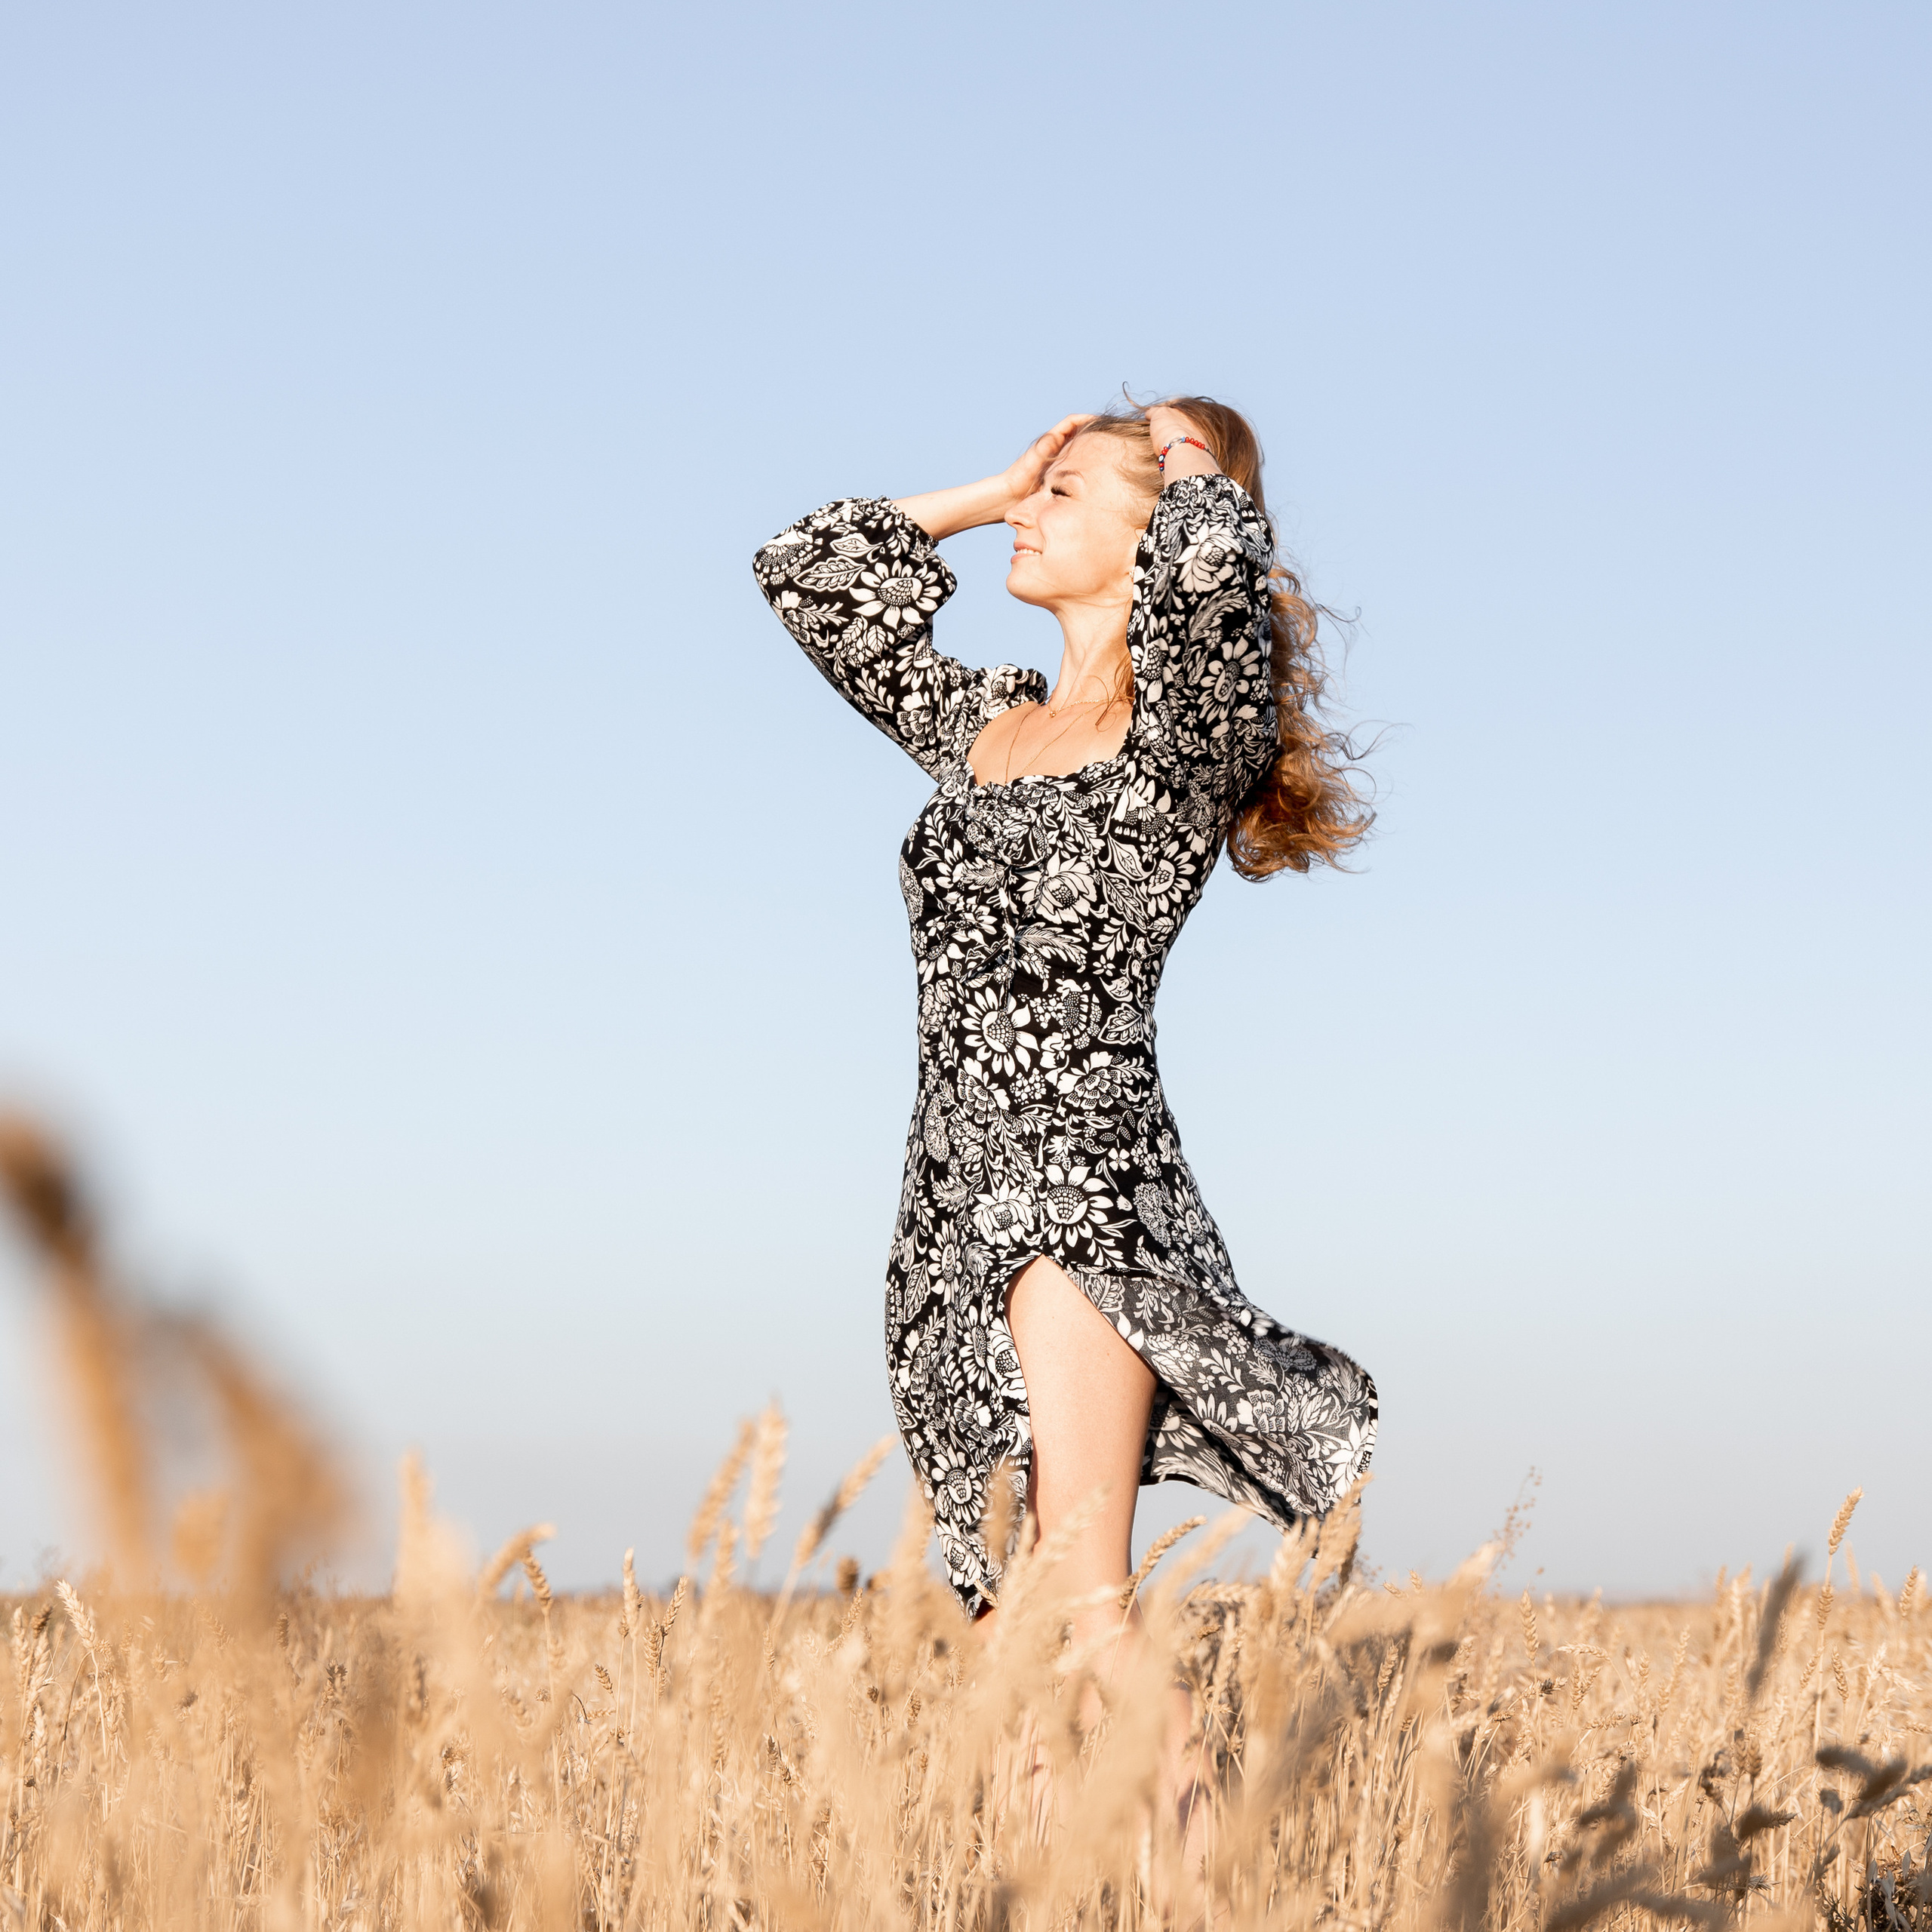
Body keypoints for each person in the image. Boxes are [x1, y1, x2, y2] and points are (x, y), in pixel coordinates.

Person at [752, 395, 1378, 1794]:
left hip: (1077, 1192)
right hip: (947, 1199)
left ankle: (1214, 1890)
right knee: (1005, 1629)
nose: (1032, 513)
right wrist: (992, 487)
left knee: (1078, 1611)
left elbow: (1215, 587)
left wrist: (1197, 461)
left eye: (1068, 493)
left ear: (1157, 536)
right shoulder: (987, 723)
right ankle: (1079, 1886)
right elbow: (805, 568)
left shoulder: (1181, 741)